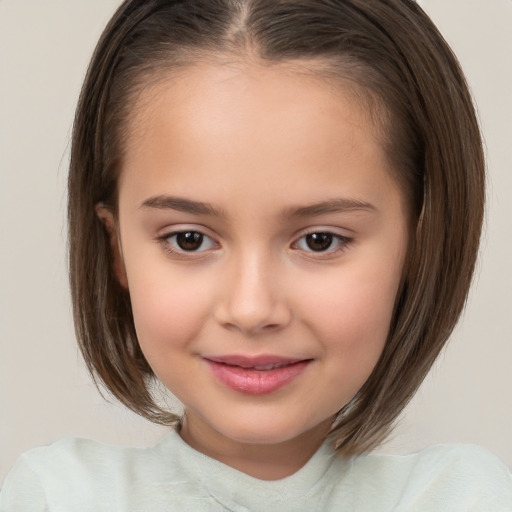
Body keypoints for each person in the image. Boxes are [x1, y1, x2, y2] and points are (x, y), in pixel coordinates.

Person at [1, 0, 511, 510]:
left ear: (417, 246)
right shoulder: (60, 496)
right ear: (117, 249)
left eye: (319, 240)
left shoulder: (461, 497)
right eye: (189, 239)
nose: (250, 309)